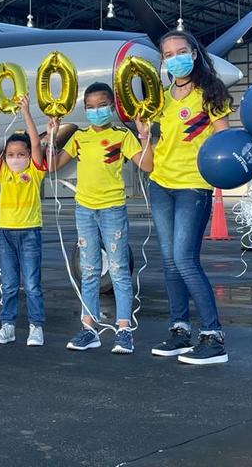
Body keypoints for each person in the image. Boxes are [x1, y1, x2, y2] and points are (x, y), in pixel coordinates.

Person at [47, 82, 153, 355]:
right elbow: (52, 166)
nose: (96, 111)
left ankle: (124, 329)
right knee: (90, 269)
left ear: (112, 105)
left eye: (102, 106)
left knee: (117, 269)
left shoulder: (121, 135)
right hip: (84, 209)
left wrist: (144, 137)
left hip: (112, 209)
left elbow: (147, 164)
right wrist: (52, 136)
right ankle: (89, 328)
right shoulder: (79, 137)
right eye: (90, 107)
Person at [146, 30, 232, 365]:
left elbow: (223, 139)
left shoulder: (211, 93)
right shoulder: (162, 98)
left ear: (194, 54)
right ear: (163, 62)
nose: (175, 58)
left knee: (184, 259)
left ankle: (213, 336)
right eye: (168, 55)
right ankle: (179, 330)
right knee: (169, 262)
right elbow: (160, 144)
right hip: (161, 184)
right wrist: (142, 137)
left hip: (194, 185)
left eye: (181, 51)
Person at [0, 95, 47, 347]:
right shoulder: (3, 173)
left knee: (32, 283)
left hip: (29, 232)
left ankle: (36, 327)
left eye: (20, 154)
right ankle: (7, 326)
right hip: (5, 233)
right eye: (10, 154)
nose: (15, 157)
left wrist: (26, 113)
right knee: (9, 283)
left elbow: (35, 144)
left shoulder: (34, 172)